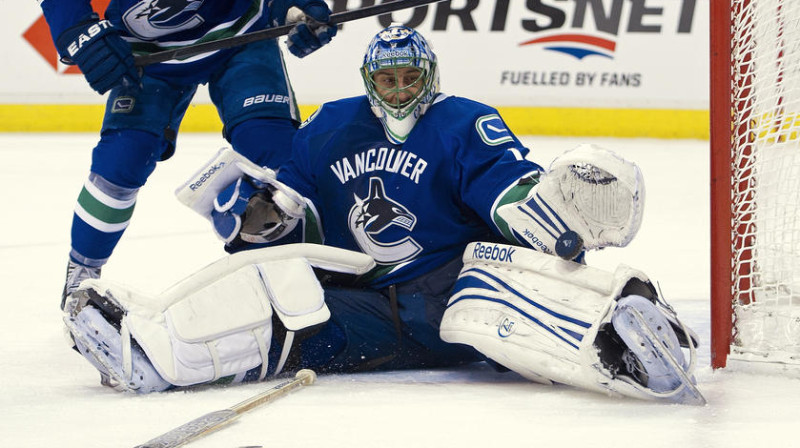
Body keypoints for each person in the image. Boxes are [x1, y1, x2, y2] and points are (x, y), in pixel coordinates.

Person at [63, 24, 705, 405]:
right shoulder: (327, 127)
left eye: (409, 79)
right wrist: (259, 222)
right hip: (361, 308)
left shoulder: (464, 121)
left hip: (448, 298)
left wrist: (538, 217)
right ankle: (151, 352)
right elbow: (298, 215)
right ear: (372, 82)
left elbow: (505, 184)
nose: (400, 91)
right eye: (389, 81)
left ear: (428, 77)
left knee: (496, 282)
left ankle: (627, 340)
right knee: (279, 302)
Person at [41, 0, 338, 311]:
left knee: (271, 151)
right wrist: (74, 25)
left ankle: (321, 268)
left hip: (240, 29)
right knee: (122, 158)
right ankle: (82, 274)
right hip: (146, 50)